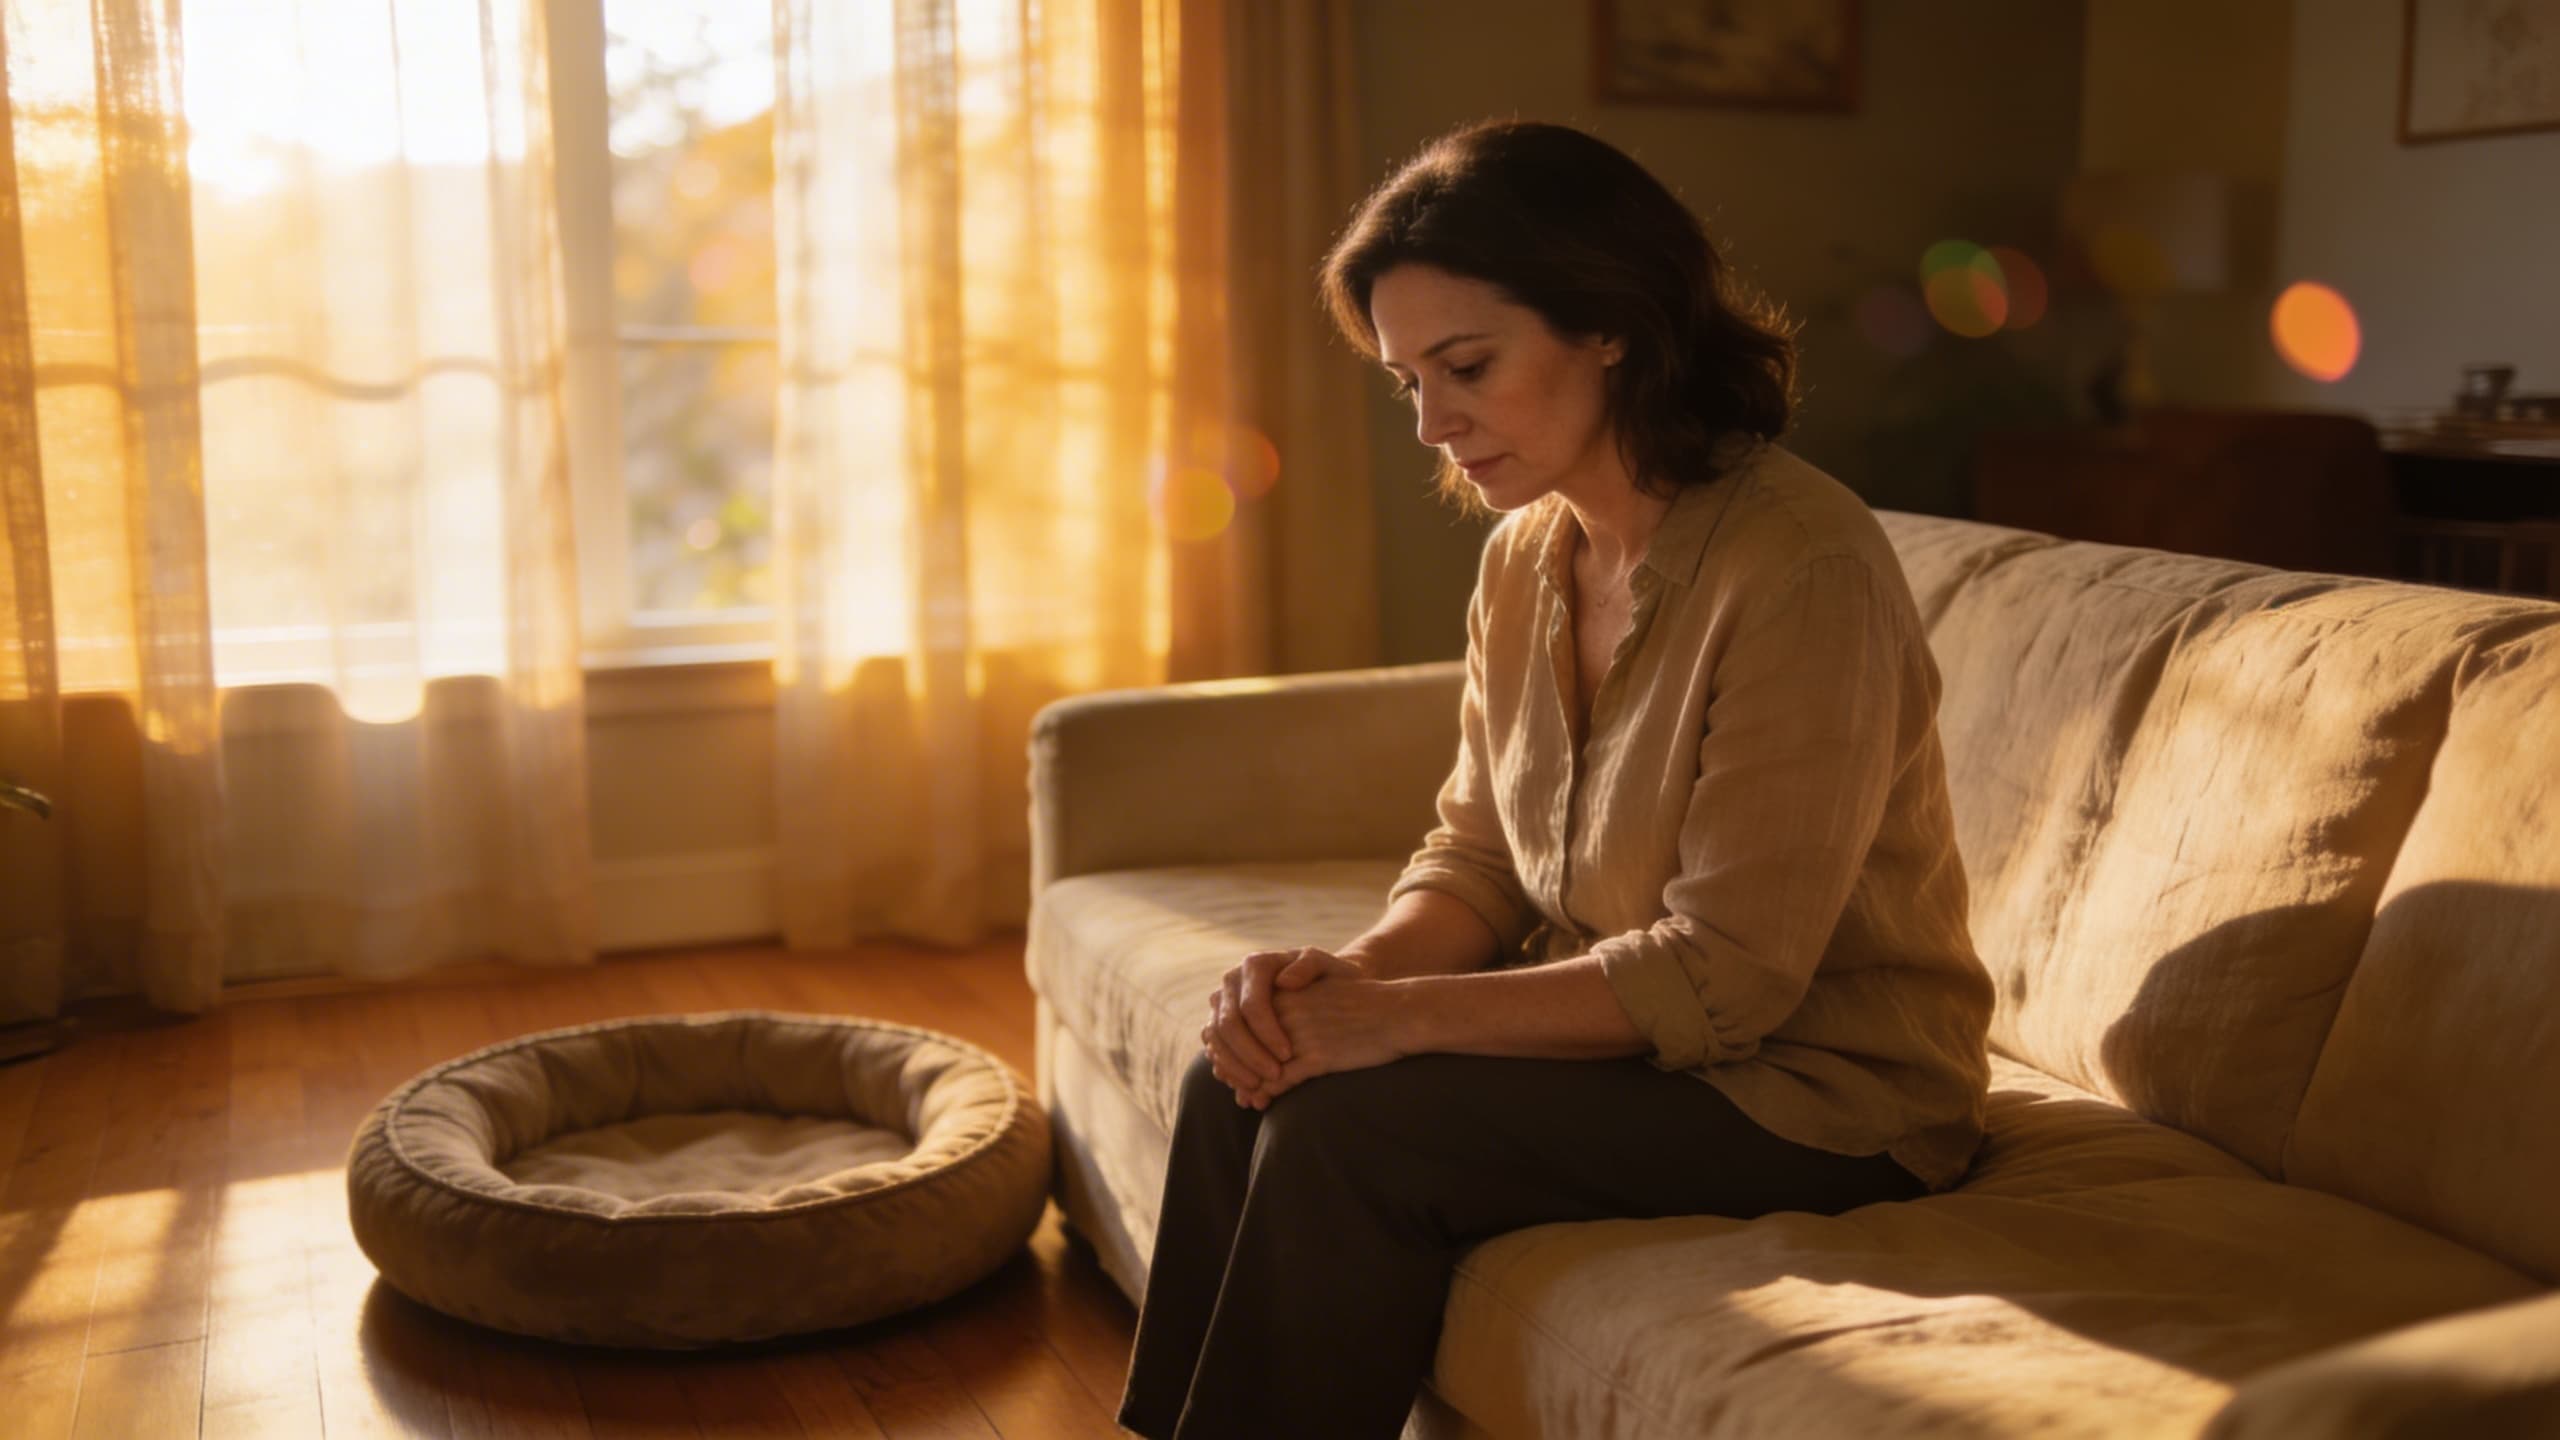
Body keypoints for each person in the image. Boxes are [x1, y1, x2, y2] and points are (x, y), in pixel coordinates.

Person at [1113, 119, 1995, 1440]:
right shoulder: (1527, 557)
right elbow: (1475, 856)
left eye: (1465, 366)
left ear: (1612, 324)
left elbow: (1726, 974)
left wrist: (1404, 1025)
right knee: (1238, 1073)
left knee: (1356, 1128)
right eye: (1407, 380)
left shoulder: (1801, 564)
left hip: (1820, 1093)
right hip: (1633, 1048)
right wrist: (1346, 983)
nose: (1432, 422)